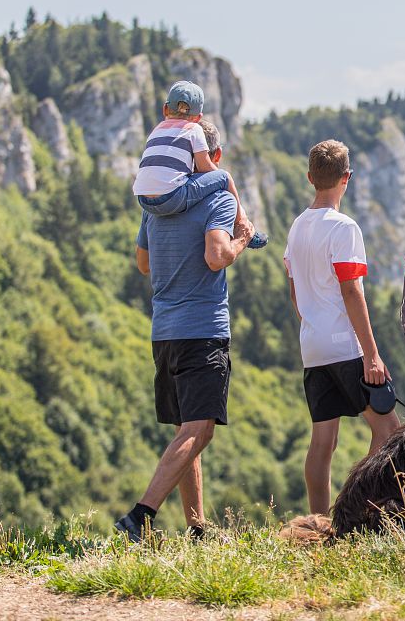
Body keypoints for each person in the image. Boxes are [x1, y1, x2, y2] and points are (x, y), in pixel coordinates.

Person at [116, 119, 255, 541]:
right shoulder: (218, 199)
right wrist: (243, 239)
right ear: (215, 159)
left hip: (164, 333)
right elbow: (217, 256)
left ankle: (197, 528)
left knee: (186, 429)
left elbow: (143, 263)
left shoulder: (157, 204)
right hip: (203, 329)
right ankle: (139, 517)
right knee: (200, 429)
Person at [284, 139, 401, 515]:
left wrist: (312, 325)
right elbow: (351, 290)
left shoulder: (297, 227)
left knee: (323, 442)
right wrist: (372, 353)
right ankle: (355, 511)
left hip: (313, 345)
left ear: (309, 178)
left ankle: (318, 520)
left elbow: (295, 291)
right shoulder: (344, 227)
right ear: (346, 178)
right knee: (389, 431)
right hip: (345, 346)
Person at [132, 80, 267, 248]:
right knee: (224, 177)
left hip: (144, 200)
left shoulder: (156, 130)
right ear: (198, 117)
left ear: (165, 109)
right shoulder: (194, 129)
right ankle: (243, 225)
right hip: (171, 198)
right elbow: (205, 168)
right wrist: (216, 181)